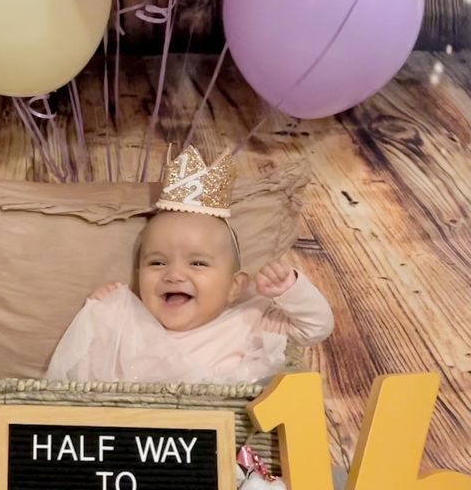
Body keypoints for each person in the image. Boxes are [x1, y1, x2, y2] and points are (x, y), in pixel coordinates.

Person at [46, 145, 333, 386]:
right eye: (157, 262)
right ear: (138, 275)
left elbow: (315, 328)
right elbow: (86, 374)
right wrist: (103, 313)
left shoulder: (249, 320)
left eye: (197, 263)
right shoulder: (129, 323)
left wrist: (290, 289)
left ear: (235, 286)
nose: (174, 274)